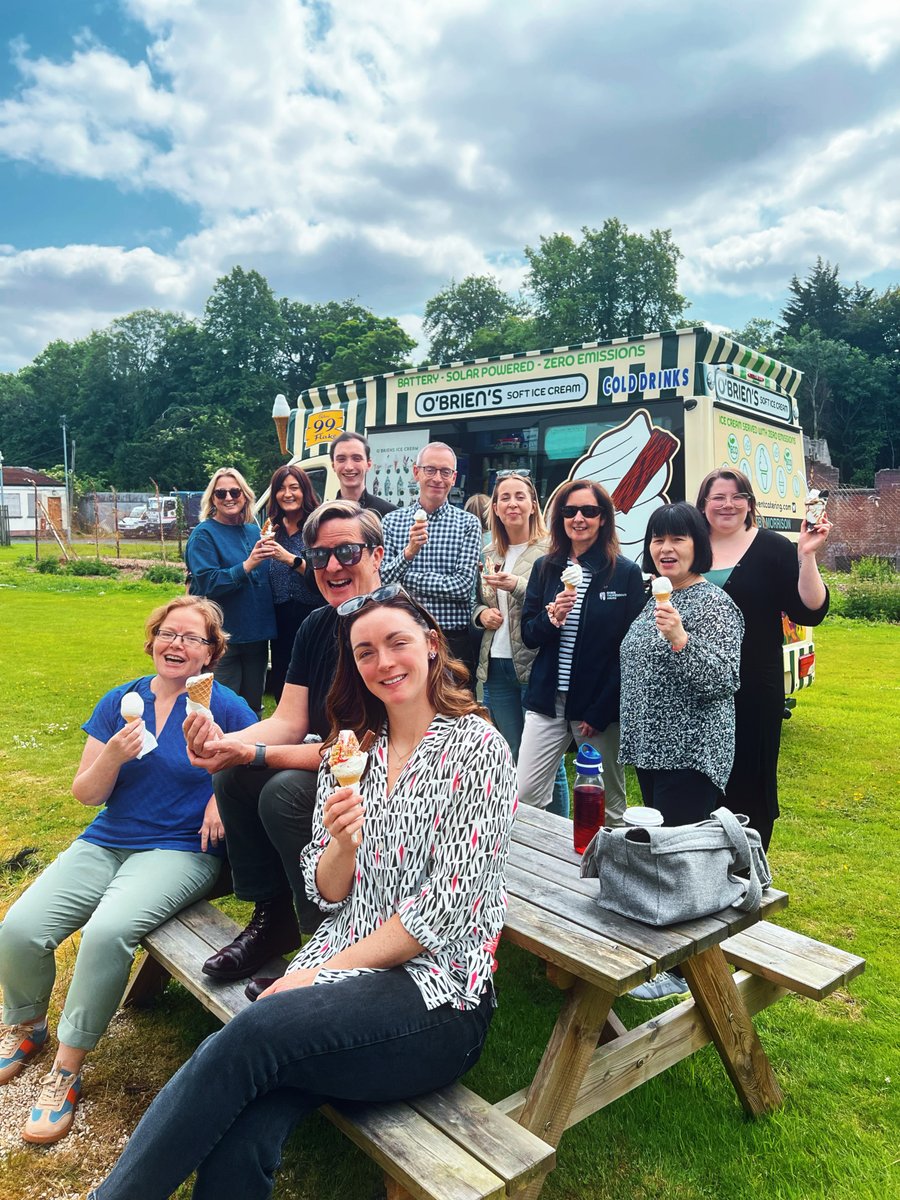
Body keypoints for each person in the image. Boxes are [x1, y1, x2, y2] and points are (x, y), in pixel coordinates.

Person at [90, 586, 516, 1200]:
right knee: (248, 1115)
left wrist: (311, 978)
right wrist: (343, 845)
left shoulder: (476, 748)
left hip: (437, 999)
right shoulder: (354, 751)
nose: (383, 662)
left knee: (249, 1040)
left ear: (430, 644)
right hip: (344, 970)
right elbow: (326, 888)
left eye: (397, 642)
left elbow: (442, 915)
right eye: (365, 652)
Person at [0, 598, 255, 1145]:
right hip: (108, 840)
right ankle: (25, 1025)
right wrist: (113, 754)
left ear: (212, 651)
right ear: (152, 639)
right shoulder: (121, 700)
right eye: (169, 633)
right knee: (18, 929)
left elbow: (255, 764)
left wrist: (221, 798)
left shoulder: (226, 705)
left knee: (107, 932)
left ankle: (66, 1068)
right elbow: (86, 793)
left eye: (193, 638)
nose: (177, 644)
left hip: (179, 850)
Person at [185, 501, 386, 981]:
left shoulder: (392, 626)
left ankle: (328, 942)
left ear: (377, 555)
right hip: (340, 768)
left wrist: (254, 751)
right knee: (234, 777)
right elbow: (289, 720)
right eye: (319, 557)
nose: (332, 567)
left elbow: (360, 748)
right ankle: (273, 920)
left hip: (392, 779)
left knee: (284, 792)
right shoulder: (318, 625)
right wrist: (224, 741)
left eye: (347, 552)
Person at [618, 502, 744, 1001]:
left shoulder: (715, 604)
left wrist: (679, 638)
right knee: (662, 854)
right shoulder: (653, 598)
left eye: (678, 540)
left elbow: (722, 680)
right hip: (651, 748)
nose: (665, 549)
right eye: (657, 540)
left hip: (692, 751)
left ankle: (688, 968)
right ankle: (669, 955)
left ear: (699, 546)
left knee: (681, 860)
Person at [696, 468, 830, 849]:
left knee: (750, 785)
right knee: (697, 787)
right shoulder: (688, 545)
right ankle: (698, 872)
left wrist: (806, 556)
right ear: (703, 504)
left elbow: (809, 612)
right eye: (717, 496)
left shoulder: (773, 548)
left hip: (753, 688)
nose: (727, 504)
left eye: (738, 496)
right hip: (695, 691)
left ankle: (749, 874)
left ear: (750, 504)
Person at [516, 480, 645, 824]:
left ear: (603, 519)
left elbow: (629, 652)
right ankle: (541, 867)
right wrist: (552, 617)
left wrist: (601, 710)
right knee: (525, 795)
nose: (578, 518)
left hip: (595, 709)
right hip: (547, 701)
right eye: (570, 511)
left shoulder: (625, 573)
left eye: (589, 511)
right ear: (559, 518)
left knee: (608, 805)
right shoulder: (546, 568)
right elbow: (529, 635)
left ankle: (611, 872)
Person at [474, 473, 569, 816]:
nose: (512, 504)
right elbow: (476, 600)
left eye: (519, 497)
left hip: (535, 664)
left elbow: (555, 601)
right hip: (495, 667)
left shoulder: (552, 550)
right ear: (495, 508)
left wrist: (515, 584)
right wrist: (481, 614)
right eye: (504, 498)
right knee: (513, 753)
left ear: (532, 505)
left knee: (546, 761)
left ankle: (558, 831)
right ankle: (527, 829)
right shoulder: (488, 550)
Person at [381, 442, 482, 680]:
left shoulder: (468, 523)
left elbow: (462, 587)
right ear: (417, 472)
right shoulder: (392, 521)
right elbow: (383, 582)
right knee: (407, 710)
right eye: (430, 470)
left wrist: (406, 576)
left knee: (454, 712)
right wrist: (409, 552)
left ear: (454, 478)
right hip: (404, 632)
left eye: (445, 472)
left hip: (452, 638)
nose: (437, 478)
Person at [184, 468, 276, 716]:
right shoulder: (204, 534)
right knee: (222, 709)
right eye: (220, 492)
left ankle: (250, 756)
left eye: (234, 491)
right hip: (222, 637)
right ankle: (219, 754)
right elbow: (206, 582)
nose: (228, 497)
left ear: (244, 496)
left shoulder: (253, 531)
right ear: (212, 499)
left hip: (257, 636)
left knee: (252, 708)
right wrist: (248, 565)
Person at [263, 465, 326, 701]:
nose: (287, 494)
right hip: (278, 617)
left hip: (311, 612)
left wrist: (289, 559)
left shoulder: (316, 527)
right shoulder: (272, 528)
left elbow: (324, 574)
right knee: (282, 677)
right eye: (281, 489)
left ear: (305, 491)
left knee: (313, 678)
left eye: (294, 488)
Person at [330, 431, 396, 516]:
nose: (349, 467)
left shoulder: (390, 513)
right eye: (341, 459)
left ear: (368, 464)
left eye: (357, 458)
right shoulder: (324, 515)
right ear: (333, 466)